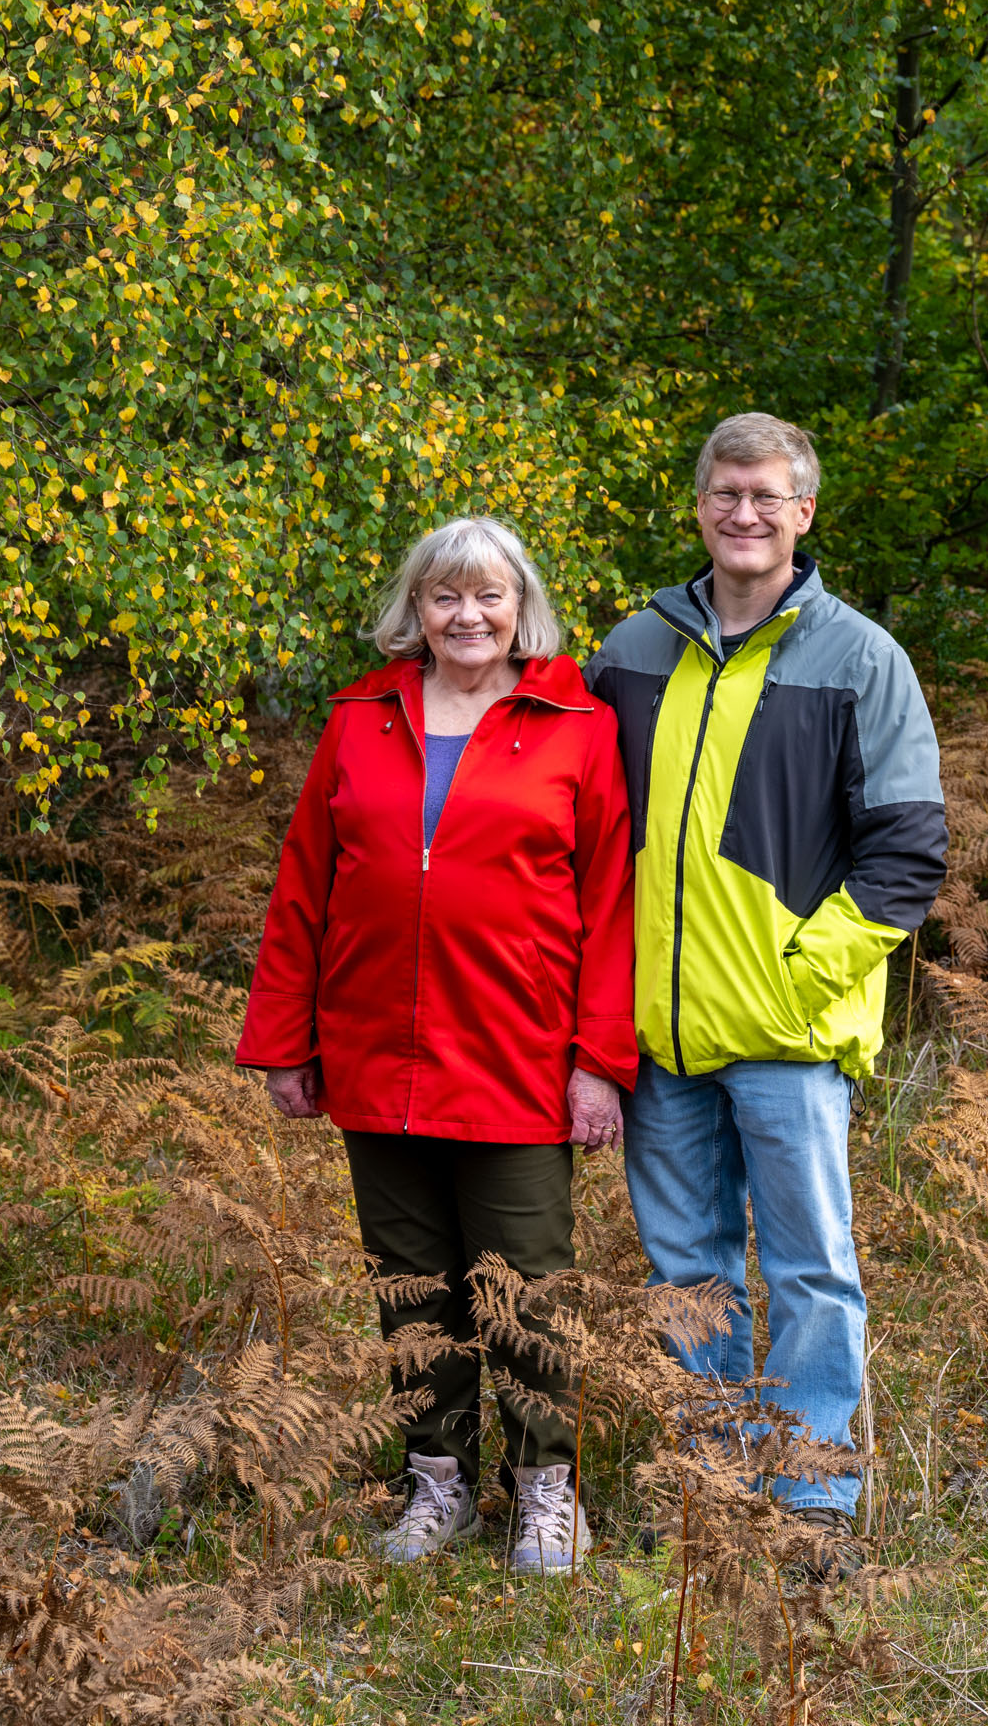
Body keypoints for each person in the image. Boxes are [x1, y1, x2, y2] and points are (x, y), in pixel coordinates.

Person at [236, 516, 634, 1575]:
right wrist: (284, 1039)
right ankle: (439, 1484)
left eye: (489, 596)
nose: (468, 616)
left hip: (517, 1056)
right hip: (376, 1053)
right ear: (415, 608)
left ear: (521, 609)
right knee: (413, 1289)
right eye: (445, 596)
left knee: (523, 1290)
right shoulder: (360, 720)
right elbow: (303, 887)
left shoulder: (577, 725)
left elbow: (612, 905)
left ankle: (547, 1492)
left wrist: (600, 1063)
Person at [585, 413, 945, 1563]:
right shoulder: (631, 651)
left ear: (803, 512)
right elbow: (580, 834)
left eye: (766, 495)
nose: (744, 513)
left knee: (810, 1273)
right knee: (685, 1275)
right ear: (699, 506)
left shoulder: (860, 659)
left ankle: (812, 1497)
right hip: (661, 1036)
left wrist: (800, 978)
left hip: (788, 1035)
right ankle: (710, 1487)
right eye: (725, 493)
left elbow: (907, 853)